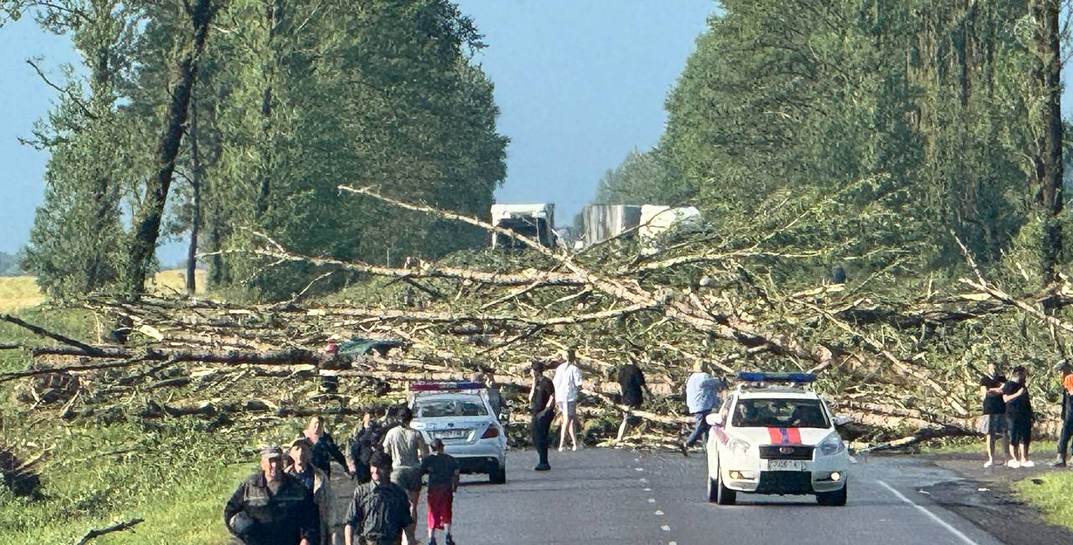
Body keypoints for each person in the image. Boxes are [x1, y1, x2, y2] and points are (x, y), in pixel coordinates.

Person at [224, 445, 318, 545]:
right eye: (271, 461)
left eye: (278, 460)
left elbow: (311, 517)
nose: (274, 465)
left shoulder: (297, 487)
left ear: (282, 462)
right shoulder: (249, 486)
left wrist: (306, 539)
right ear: (262, 464)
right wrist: (242, 530)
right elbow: (230, 512)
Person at [381, 407, 428, 545]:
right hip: (413, 470)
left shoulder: (391, 433)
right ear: (410, 418)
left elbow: (385, 451)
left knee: (398, 505)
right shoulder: (416, 434)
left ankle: (400, 537)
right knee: (413, 505)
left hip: (396, 472)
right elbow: (425, 453)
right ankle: (410, 537)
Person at [344, 451, 413, 545]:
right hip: (369, 541)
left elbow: (407, 523)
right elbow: (350, 522)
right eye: (373, 466)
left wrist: (411, 540)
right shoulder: (362, 492)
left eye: (380, 467)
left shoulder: (398, 493)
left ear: (390, 469)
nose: (375, 471)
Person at [287, 439, 336, 545]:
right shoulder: (284, 477)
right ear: (290, 453)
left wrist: (332, 530)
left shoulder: (319, 477)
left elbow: (330, 503)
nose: (300, 453)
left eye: (304, 449)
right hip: (291, 527)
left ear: (310, 453)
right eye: (297, 449)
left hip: (313, 526)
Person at [420, 439, 460, 545]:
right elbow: (456, 474)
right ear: (442, 447)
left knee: (432, 512)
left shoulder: (428, 460)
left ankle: (431, 538)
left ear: (431, 448)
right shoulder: (450, 459)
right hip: (446, 488)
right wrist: (454, 487)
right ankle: (447, 535)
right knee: (446, 511)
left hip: (433, 489)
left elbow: (421, 472)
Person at [683, 362, 724, 453]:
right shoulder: (704, 376)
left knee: (706, 426)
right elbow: (715, 383)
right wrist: (721, 380)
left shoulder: (692, 377)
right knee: (701, 425)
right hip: (702, 405)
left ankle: (707, 446)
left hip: (694, 404)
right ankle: (688, 442)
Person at [552, 346, 584, 452]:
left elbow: (555, 382)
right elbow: (579, 384)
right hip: (569, 397)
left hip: (560, 396)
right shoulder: (575, 369)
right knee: (567, 419)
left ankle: (574, 443)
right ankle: (561, 444)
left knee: (570, 420)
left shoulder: (560, 368)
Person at [978, 360, 1008, 468]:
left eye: (995, 368)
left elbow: (1006, 390)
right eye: (992, 368)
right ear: (988, 368)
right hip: (989, 410)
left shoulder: (1002, 379)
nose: (994, 370)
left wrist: (995, 390)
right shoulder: (984, 380)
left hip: (1001, 409)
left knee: (1005, 434)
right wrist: (998, 389)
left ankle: (1006, 459)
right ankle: (991, 459)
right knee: (990, 434)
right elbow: (986, 393)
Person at [1003, 365, 1035, 468]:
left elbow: (1027, 401)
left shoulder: (1023, 386)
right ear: (1018, 374)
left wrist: (1031, 415)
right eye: (1024, 374)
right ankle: (1015, 459)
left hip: (1024, 415)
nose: (1025, 377)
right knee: (1013, 437)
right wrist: (1017, 394)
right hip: (1012, 415)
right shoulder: (1009, 385)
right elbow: (1005, 399)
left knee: (1024, 438)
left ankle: (1024, 459)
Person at [616, 356, 652, 443]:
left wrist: (622, 395)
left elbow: (619, 384)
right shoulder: (635, 370)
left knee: (627, 417)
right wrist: (649, 394)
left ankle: (623, 437)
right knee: (629, 418)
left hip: (625, 396)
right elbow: (642, 384)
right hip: (635, 396)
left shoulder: (622, 370)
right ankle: (620, 438)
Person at [529, 360, 556, 471]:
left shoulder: (546, 382)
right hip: (535, 412)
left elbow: (553, 396)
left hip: (544, 413)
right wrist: (533, 383)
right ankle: (541, 459)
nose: (530, 372)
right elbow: (530, 398)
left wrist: (546, 410)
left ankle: (544, 462)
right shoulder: (537, 382)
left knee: (541, 437)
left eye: (532, 370)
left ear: (536, 371)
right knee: (535, 437)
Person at [349, 411, 383, 484]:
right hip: (361, 463)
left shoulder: (378, 430)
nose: (371, 419)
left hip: (374, 463)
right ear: (364, 417)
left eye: (373, 417)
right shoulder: (357, 430)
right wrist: (351, 464)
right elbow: (351, 447)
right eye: (369, 416)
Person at [1054, 361, 1073, 467]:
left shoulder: (1069, 378)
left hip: (1070, 414)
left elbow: (1071, 394)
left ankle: (1061, 458)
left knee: (1064, 435)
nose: (1060, 374)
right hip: (1068, 412)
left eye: (1060, 371)